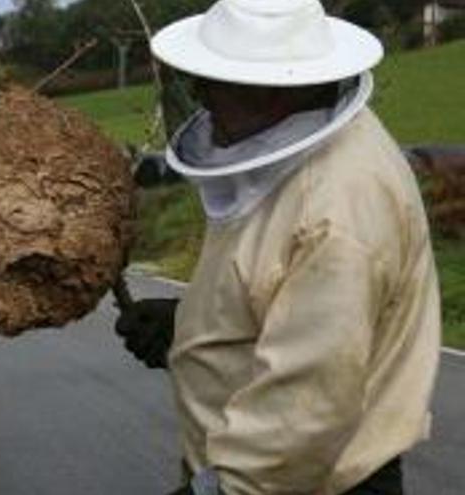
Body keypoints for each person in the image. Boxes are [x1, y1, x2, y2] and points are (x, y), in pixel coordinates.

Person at [114, 1, 441, 494]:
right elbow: (292, 300)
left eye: (216, 80)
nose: (200, 93)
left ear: (272, 89)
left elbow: (305, 412)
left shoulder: (335, 213)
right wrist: (193, 328)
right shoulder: (292, 153)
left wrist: (216, 490)